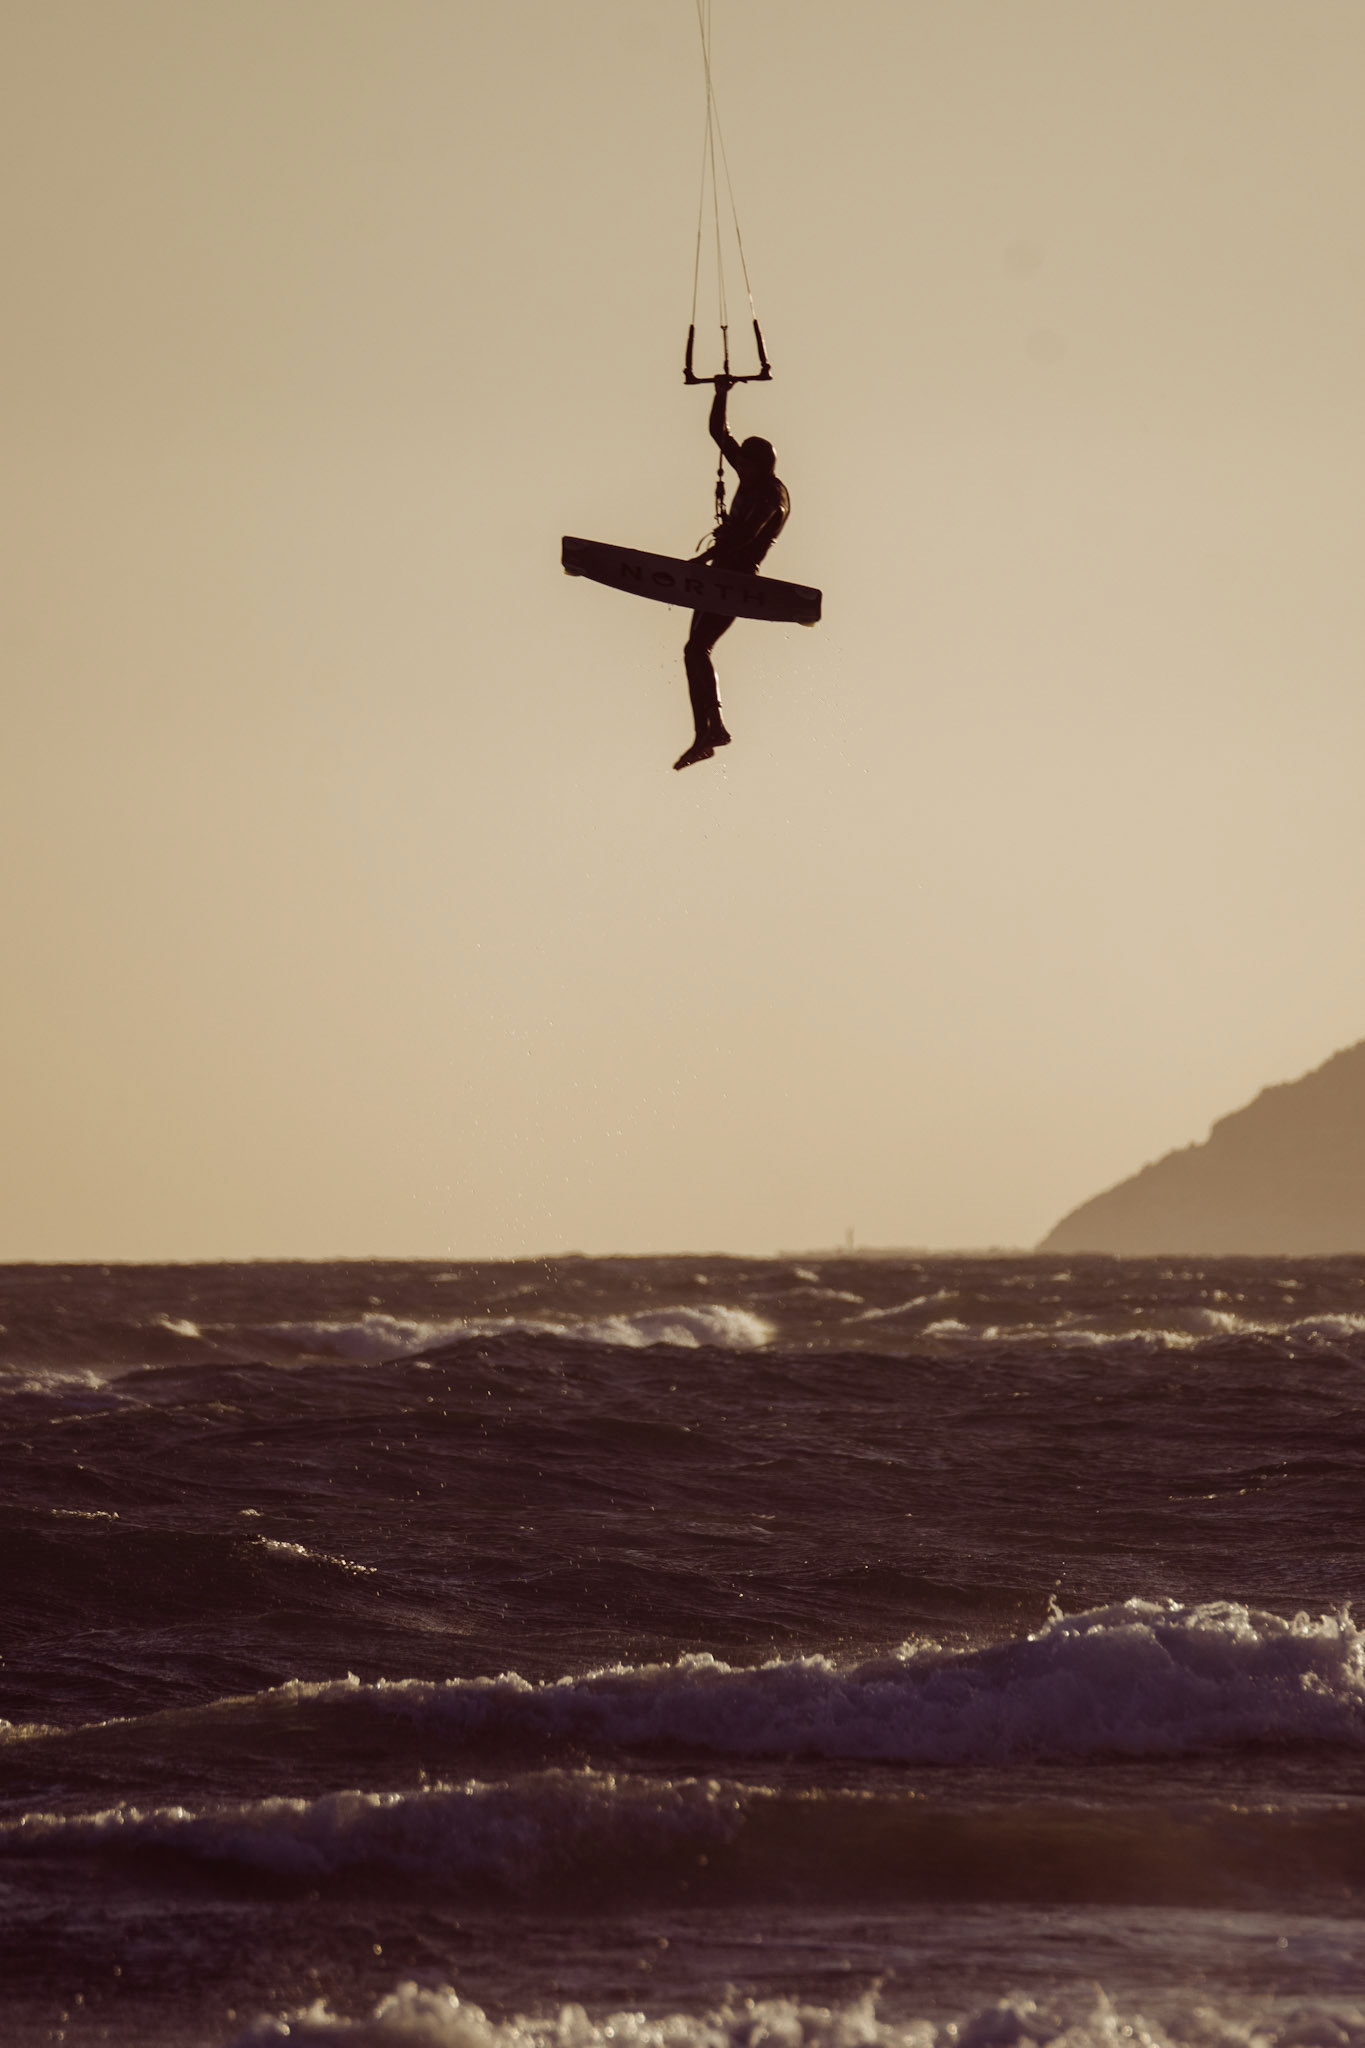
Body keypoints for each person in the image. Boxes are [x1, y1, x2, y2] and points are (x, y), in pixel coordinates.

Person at [674, 377, 790, 771]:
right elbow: (718, 433)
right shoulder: (750, 472)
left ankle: (715, 728)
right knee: (694, 650)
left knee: (697, 649)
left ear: (763, 467)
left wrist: (702, 560)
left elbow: (744, 539)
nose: (742, 469)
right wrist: (721, 393)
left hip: (737, 581)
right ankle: (709, 732)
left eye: (748, 465)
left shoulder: (772, 497)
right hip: (720, 575)